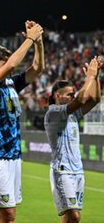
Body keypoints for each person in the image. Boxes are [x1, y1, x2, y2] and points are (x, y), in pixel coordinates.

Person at [0, 21, 44, 223]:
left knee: (4, 214)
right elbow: (14, 64)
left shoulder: (12, 84)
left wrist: (38, 43)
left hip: (13, 154)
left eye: (8, 60)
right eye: (4, 62)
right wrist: (29, 39)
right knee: (8, 213)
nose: (9, 64)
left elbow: (37, 68)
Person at [44, 57, 101, 223]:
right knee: (73, 215)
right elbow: (80, 100)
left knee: (73, 219)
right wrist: (89, 76)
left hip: (77, 170)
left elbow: (95, 99)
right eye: (69, 94)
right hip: (62, 171)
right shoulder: (53, 113)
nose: (72, 96)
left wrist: (95, 77)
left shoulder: (73, 114)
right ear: (57, 96)